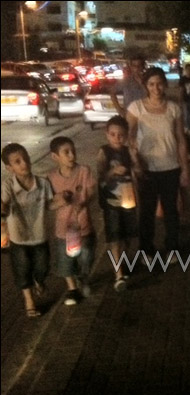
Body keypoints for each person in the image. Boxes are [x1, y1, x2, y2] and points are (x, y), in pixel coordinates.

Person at [127, 67, 189, 261]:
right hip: (146, 169)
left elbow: (181, 139)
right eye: (151, 84)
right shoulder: (136, 108)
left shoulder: (174, 108)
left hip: (170, 167)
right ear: (146, 86)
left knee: (171, 211)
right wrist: (134, 158)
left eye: (159, 84)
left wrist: (185, 169)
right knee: (146, 212)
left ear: (165, 84)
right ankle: (146, 250)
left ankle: (172, 248)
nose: (156, 88)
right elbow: (130, 134)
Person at [1, 144, 53, 317]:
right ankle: (29, 301)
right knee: (22, 270)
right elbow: (4, 205)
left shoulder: (43, 183)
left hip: (40, 235)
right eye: (17, 162)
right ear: (9, 168)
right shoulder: (8, 185)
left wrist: (65, 199)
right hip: (19, 238)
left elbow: (51, 204)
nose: (24, 163)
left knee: (42, 267)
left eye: (25, 158)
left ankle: (39, 281)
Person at [48, 137, 96, 305]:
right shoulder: (51, 178)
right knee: (66, 260)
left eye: (73, 151)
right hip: (64, 228)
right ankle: (72, 289)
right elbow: (49, 204)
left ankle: (83, 276)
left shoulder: (84, 171)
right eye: (66, 152)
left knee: (87, 256)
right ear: (55, 156)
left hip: (83, 224)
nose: (71, 155)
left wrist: (83, 202)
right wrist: (60, 201)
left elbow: (91, 191)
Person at [97, 116, 141, 291]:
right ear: (107, 134)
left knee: (128, 236)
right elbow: (100, 176)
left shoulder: (128, 151)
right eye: (113, 134)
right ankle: (118, 275)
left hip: (128, 199)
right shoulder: (104, 152)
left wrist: (135, 158)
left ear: (126, 135)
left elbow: (139, 172)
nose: (117, 138)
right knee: (115, 237)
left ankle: (121, 264)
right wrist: (113, 171)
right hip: (111, 200)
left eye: (121, 135)